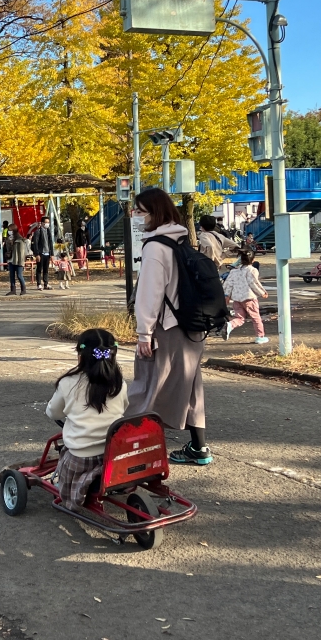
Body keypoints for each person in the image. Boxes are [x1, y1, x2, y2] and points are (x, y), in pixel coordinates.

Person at [125, 188, 211, 466]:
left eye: (140, 211)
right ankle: (198, 448)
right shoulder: (180, 240)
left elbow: (149, 294)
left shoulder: (154, 247)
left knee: (148, 387)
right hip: (193, 326)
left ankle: (135, 452)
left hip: (168, 328)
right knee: (191, 385)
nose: (134, 215)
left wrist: (143, 334)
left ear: (155, 213)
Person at [44, 328, 128, 510]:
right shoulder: (119, 384)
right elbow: (124, 408)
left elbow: (53, 413)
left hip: (81, 459)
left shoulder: (68, 383)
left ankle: (70, 488)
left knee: (66, 451)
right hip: (112, 454)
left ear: (80, 355)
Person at [222, 251, 269, 344]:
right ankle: (260, 336)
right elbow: (254, 283)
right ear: (253, 260)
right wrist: (262, 292)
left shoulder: (234, 271)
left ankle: (230, 325)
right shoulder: (252, 270)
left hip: (237, 299)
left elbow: (228, 284)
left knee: (239, 318)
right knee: (256, 318)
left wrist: (226, 295)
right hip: (249, 298)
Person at [6, 225, 30, 296]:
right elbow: (8, 249)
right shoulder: (9, 238)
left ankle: (23, 289)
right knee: (11, 275)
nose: (9, 232)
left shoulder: (20, 240)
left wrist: (21, 262)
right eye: (8, 230)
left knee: (19, 275)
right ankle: (13, 290)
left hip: (18, 260)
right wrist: (8, 241)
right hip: (11, 260)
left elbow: (21, 252)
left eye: (10, 230)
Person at [30, 221, 54, 290]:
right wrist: (37, 254)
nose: (47, 224)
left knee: (46, 270)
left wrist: (51, 253)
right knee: (39, 269)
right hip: (41, 254)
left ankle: (46, 284)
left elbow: (50, 243)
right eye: (45, 223)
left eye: (48, 222)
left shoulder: (48, 231)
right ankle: (39, 284)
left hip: (47, 253)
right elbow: (35, 244)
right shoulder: (37, 232)